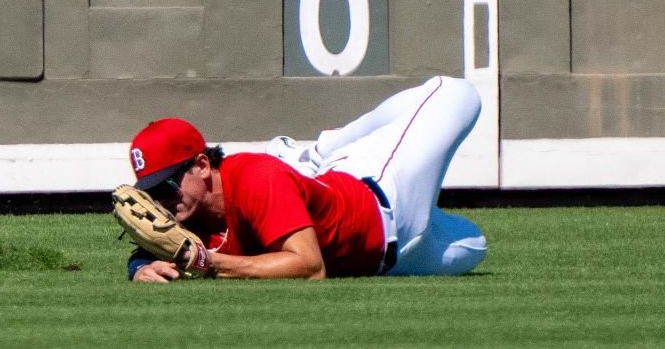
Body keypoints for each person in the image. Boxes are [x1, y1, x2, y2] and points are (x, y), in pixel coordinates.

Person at [125, 76, 489, 282]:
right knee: (477, 245)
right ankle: (311, 167)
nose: (161, 201)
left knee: (457, 93)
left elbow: (311, 268)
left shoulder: (254, 177)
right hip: (394, 261)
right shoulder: (187, 217)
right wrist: (139, 268)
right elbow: (154, 251)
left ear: (203, 166)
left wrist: (210, 264)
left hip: (386, 191)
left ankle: (322, 150)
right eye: (152, 191)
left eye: (169, 184)